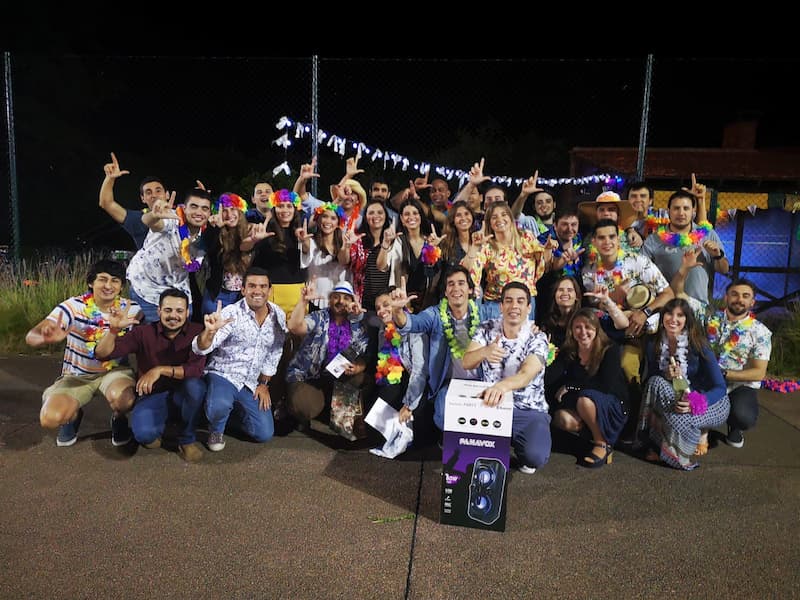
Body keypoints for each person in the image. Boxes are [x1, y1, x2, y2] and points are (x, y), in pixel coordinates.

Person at [25, 259, 141, 447]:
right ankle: (73, 415)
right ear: (91, 283)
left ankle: (119, 418)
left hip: (114, 372)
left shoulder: (132, 309)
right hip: (77, 375)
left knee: (125, 400)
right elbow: (33, 335)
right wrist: (44, 337)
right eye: (102, 279)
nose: (108, 286)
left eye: (115, 281)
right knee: (50, 418)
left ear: (121, 287)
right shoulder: (73, 306)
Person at [94, 288, 206, 462]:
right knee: (144, 435)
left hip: (184, 391)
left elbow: (195, 370)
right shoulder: (143, 332)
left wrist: (159, 370)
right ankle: (170, 425)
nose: (173, 315)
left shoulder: (198, 332)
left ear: (187, 312)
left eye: (179, 311)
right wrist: (113, 330)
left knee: (195, 387)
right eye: (168, 310)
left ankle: (186, 439)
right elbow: (102, 354)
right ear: (159, 311)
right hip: (153, 393)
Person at [192, 267, 287, 452]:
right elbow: (201, 348)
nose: (257, 291)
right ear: (243, 290)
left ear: (270, 290)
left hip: (250, 382)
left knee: (264, 433)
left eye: (262, 286)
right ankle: (216, 429)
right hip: (223, 374)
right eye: (252, 286)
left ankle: (219, 415)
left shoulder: (278, 315)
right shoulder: (231, 313)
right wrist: (209, 332)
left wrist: (264, 384)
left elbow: (275, 350)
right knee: (219, 405)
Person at [462, 282, 551, 474]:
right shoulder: (486, 328)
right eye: (509, 301)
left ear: (529, 308)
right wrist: (485, 351)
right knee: (470, 455)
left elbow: (526, 374)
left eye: (520, 301)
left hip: (527, 409)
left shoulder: (538, 337)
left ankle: (520, 445)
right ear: (501, 306)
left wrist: (501, 387)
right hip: (490, 405)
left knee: (535, 455)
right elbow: (467, 362)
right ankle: (494, 445)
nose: (514, 306)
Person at [639, 298, 730, 470]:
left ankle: (696, 436)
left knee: (680, 418)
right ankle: (657, 443)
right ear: (662, 317)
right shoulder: (653, 343)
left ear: (687, 320)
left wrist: (695, 403)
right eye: (669, 313)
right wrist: (666, 375)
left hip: (709, 400)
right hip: (677, 396)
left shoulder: (698, 344)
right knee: (655, 383)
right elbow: (651, 382)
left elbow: (720, 387)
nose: (673, 319)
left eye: (680, 315)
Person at [391, 267, 481, 432]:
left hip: (482, 381)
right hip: (450, 383)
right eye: (451, 284)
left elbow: (509, 318)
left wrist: (530, 327)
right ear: (446, 292)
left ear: (470, 289)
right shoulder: (436, 314)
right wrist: (397, 311)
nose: (456, 288)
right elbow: (412, 323)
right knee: (442, 418)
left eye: (461, 283)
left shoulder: (483, 313)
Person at [545, 308, 629, 467]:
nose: (583, 332)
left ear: (596, 329)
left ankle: (602, 444)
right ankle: (591, 433)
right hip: (582, 400)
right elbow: (550, 377)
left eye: (588, 327)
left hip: (611, 403)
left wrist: (572, 387)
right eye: (577, 327)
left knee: (585, 399)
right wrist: (541, 356)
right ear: (571, 330)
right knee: (562, 419)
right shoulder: (570, 350)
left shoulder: (609, 349)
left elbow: (605, 385)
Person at [285, 281, 370, 429]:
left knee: (360, 378)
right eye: (336, 297)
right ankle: (295, 408)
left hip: (337, 377)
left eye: (346, 298)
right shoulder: (319, 317)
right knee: (305, 406)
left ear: (352, 302)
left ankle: (340, 419)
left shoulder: (356, 324)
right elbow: (294, 327)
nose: (340, 301)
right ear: (330, 300)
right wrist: (303, 301)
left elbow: (363, 356)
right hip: (307, 377)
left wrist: (357, 368)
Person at [126, 188, 212, 323]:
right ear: (184, 208)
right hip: (147, 287)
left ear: (209, 213)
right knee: (149, 333)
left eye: (204, 208)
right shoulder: (171, 218)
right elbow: (150, 222)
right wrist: (154, 215)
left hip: (178, 287)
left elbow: (194, 264)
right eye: (194, 207)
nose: (199, 212)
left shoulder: (205, 236)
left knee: (182, 331)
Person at [706, 279, 772, 449]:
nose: (739, 299)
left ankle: (734, 425)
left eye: (745, 296)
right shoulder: (710, 320)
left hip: (738, 384)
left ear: (752, 302)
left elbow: (758, 373)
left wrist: (724, 374)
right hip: (708, 378)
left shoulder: (760, 332)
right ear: (726, 297)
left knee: (743, 416)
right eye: (734, 294)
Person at [463, 201, 552, 320]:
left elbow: (544, 262)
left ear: (510, 218)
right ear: (489, 223)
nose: (499, 219)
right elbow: (466, 271)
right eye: (494, 217)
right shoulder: (487, 246)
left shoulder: (527, 237)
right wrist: (474, 247)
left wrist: (548, 249)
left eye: (504, 214)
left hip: (524, 303)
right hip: (496, 306)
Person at [641, 189, 727, 305]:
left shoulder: (707, 234)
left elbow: (724, 270)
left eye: (686, 208)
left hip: (697, 306)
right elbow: (641, 272)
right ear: (668, 211)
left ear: (693, 211)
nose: (681, 213)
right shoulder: (654, 239)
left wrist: (718, 256)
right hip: (665, 307)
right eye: (676, 208)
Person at [98, 152, 166, 249]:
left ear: (167, 194)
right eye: (148, 192)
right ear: (143, 198)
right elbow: (106, 203)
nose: (154, 195)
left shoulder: (181, 215)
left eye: (158, 191)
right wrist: (109, 178)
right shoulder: (138, 220)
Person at [201, 193, 255, 315]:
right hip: (217, 295)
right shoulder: (215, 232)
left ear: (240, 211)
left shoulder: (250, 231)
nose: (229, 214)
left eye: (233, 209)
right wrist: (215, 229)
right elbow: (208, 247)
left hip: (243, 296)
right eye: (225, 210)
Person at [541, 276, 628, 348]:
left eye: (570, 290)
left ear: (576, 296)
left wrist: (606, 300)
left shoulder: (589, 315)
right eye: (560, 290)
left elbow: (622, 324)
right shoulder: (549, 323)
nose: (565, 293)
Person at [343, 198, 391, 312]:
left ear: (386, 216)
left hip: (385, 304)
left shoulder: (392, 241)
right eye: (371, 213)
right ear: (365, 217)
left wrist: (385, 244)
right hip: (361, 303)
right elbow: (345, 262)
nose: (376, 216)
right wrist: (347, 246)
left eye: (380, 212)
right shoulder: (358, 240)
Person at [298, 203, 349, 310]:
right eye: (325, 216)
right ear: (319, 219)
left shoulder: (343, 243)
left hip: (339, 301)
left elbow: (343, 261)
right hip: (315, 299)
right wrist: (304, 242)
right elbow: (306, 248)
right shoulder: (311, 241)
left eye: (333, 218)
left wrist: (345, 247)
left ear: (338, 223)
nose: (328, 221)